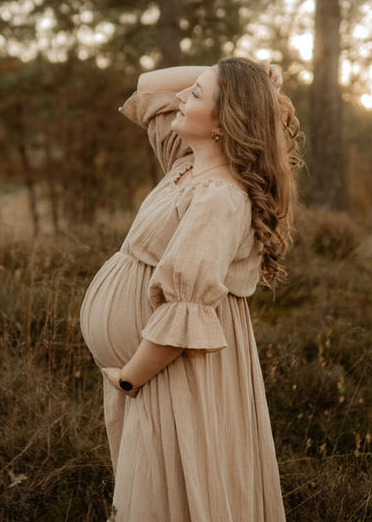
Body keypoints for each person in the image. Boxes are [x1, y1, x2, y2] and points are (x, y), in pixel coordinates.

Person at [79, 57, 303, 521]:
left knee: (176, 499)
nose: (180, 96)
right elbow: (148, 86)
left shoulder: (220, 197)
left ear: (226, 122)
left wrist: (129, 378)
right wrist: (247, 73)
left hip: (169, 372)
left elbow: (187, 313)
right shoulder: (185, 165)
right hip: (154, 370)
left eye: (196, 95)